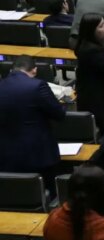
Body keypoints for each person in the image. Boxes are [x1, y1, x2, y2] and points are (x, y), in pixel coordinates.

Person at [0, 55, 65, 194]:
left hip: (5, 153)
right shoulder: (38, 86)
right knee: (47, 193)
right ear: (34, 70)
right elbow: (59, 114)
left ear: (12, 69)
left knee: (15, 195)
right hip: (37, 153)